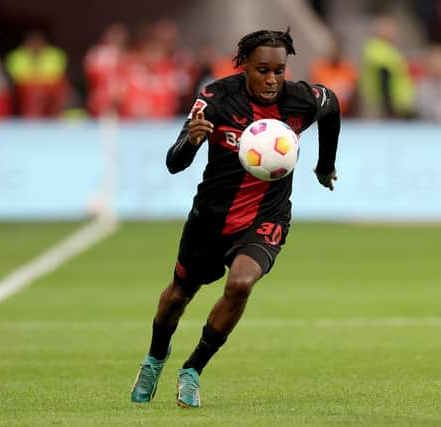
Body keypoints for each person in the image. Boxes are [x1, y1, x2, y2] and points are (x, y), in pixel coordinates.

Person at [130, 28, 341, 408]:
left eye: (279, 70)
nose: (272, 79)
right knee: (177, 297)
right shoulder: (214, 99)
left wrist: (325, 166)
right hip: (211, 218)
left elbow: (333, 106)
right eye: (263, 70)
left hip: (266, 217)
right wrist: (191, 141)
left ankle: (192, 370)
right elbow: (174, 163)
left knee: (241, 283)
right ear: (245, 66)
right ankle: (154, 359)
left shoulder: (300, 100)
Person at [359, 15, 416, 119]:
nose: (395, 31)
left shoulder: (387, 48)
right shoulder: (378, 50)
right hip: (387, 104)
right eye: (390, 28)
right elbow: (383, 79)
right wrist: (389, 105)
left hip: (394, 103)